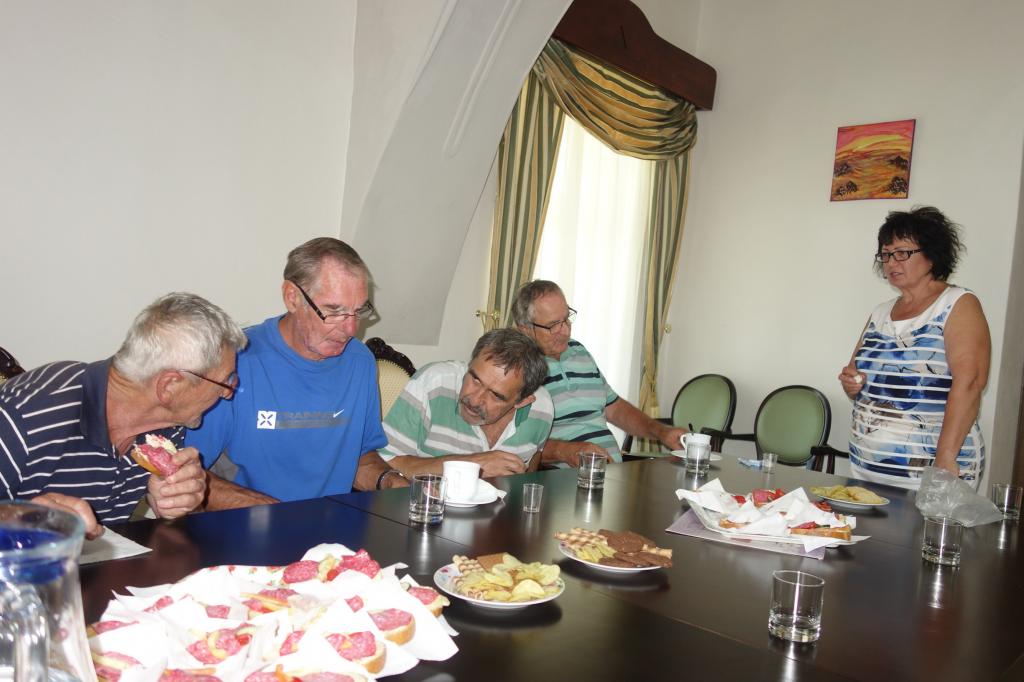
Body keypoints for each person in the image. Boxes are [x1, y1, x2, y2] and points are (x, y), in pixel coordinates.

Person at [0, 293, 243, 538]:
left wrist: (181, 505)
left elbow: (173, 537)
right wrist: (21, 520)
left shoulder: (166, 426)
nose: (228, 393)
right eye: (225, 381)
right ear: (169, 386)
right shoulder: (25, 414)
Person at [187, 238, 405, 508]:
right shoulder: (234, 361)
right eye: (334, 311)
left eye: (358, 311)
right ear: (292, 297)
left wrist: (390, 481)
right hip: (245, 525)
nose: (351, 330)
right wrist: (275, 514)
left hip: (331, 528)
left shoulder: (360, 362)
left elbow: (359, 458)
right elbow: (186, 475)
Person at [838, 206, 990, 489]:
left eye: (902, 253)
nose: (891, 262)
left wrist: (945, 457)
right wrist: (852, 383)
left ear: (931, 254)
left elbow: (970, 383)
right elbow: (856, 377)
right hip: (868, 467)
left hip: (933, 469)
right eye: (886, 254)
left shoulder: (957, 304)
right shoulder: (880, 312)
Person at [512, 280, 687, 466]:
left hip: (611, 471)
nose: (565, 331)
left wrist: (661, 432)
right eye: (553, 325)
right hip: (562, 476)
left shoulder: (578, 351)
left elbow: (614, 408)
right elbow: (511, 443)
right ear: (526, 329)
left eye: (566, 318)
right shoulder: (516, 368)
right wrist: (565, 451)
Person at [380, 328, 553, 477]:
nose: (475, 400)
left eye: (495, 395)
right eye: (475, 379)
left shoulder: (541, 409)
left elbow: (532, 463)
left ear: (522, 402)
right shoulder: (433, 384)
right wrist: (473, 465)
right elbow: (385, 462)